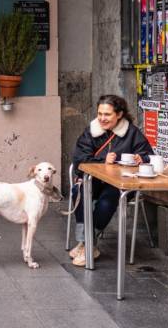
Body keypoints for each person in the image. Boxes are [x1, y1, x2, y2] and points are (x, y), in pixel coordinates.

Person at [69, 94, 154, 267]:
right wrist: (102, 161)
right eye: (100, 113)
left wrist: (141, 158)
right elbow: (79, 160)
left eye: (107, 114)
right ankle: (88, 243)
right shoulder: (91, 131)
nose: (102, 118)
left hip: (120, 183)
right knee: (78, 191)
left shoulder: (132, 133)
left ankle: (86, 243)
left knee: (107, 201)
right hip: (93, 180)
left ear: (119, 114)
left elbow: (149, 155)